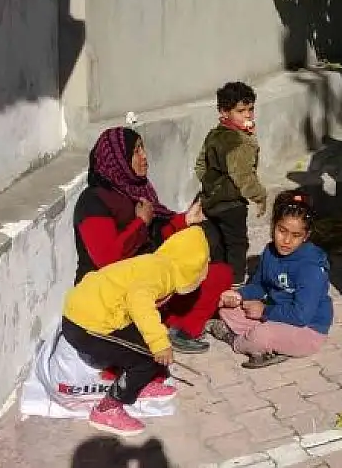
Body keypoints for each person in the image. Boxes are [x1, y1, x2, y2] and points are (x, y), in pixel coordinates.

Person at [74, 127, 234, 354]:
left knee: (218, 273)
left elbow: (158, 240)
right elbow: (107, 259)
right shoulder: (93, 201)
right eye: (136, 151)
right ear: (117, 158)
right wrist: (140, 223)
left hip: (151, 280)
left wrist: (185, 221)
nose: (144, 156)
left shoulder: (138, 191)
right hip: (119, 293)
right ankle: (155, 326)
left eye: (143, 148)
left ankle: (179, 328)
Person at [61, 226, 210, 437]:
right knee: (148, 356)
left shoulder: (158, 263)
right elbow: (139, 302)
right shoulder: (164, 275)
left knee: (143, 345)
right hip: (86, 324)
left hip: (88, 312)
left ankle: (137, 383)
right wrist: (159, 343)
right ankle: (107, 409)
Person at [206, 190, 333, 369]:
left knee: (261, 335)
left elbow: (301, 316)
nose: (286, 240)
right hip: (276, 317)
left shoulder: (311, 268)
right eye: (282, 231)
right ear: (273, 225)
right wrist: (238, 295)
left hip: (307, 330)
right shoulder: (269, 252)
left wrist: (264, 311)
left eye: (296, 236)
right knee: (228, 311)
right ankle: (272, 346)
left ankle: (235, 340)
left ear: (306, 236)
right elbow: (260, 285)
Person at [195, 81, 268, 286]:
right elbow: (242, 176)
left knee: (217, 245)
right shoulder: (239, 141)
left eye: (251, 109)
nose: (248, 115)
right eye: (241, 111)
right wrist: (260, 195)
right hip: (232, 204)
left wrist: (211, 186)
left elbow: (200, 166)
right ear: (224, 112)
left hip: (212, 202)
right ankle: (235, 284)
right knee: (237, 245)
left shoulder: (214, 134)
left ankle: (217, 284)